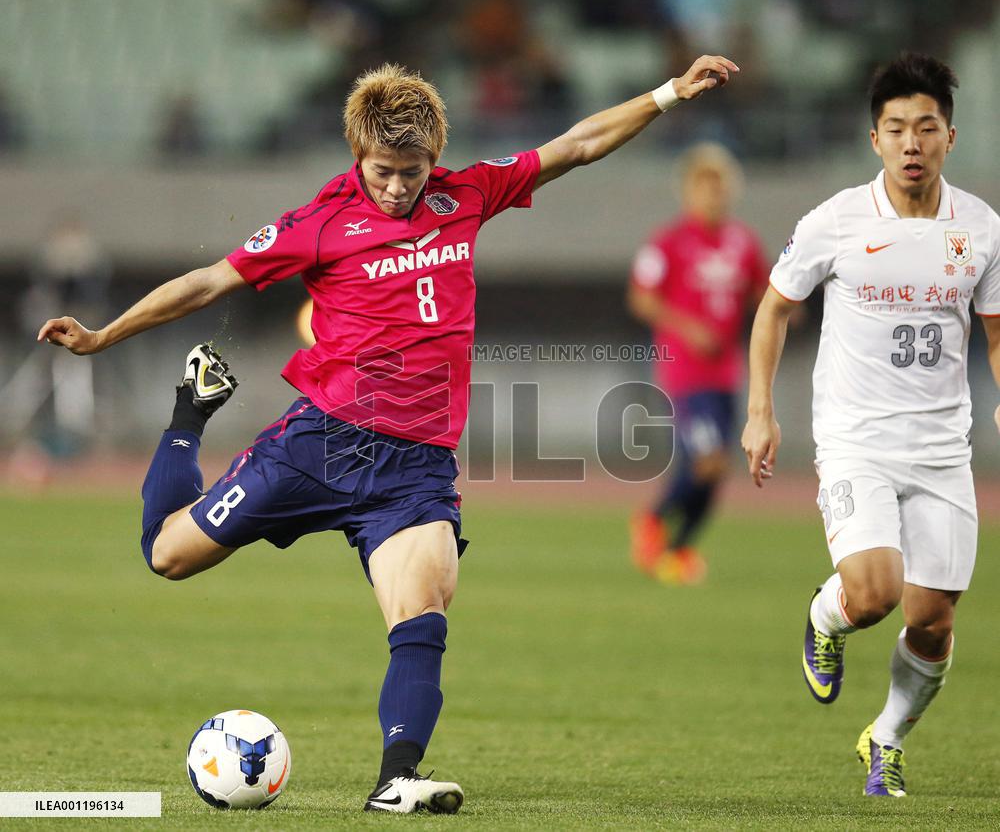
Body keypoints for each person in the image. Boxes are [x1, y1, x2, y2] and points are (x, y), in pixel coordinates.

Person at [37, 56, 739, 813]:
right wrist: (106, 334)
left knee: (424, 609)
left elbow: (575, 144)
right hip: (320, 442)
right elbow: (210, 280)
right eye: (383, 171)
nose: (399, 186)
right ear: (357, 154)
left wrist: (668, 94)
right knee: (167, 555)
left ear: (433, 159)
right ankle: (189, 414)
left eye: (412, 171)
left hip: (416, 469)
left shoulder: (466, 194)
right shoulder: (321, 222)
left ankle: (395, 779)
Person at [741, 53, 1000, 797]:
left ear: (950, 136)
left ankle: (885, 738)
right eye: (896, 129)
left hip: (944, 449)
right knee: (875, 592)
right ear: (874, 139)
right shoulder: (837, 220)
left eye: (926, 128)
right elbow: (774, 309)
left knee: (931, 621)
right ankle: (825, 619)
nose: (911, 143)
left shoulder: (981, 229)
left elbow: (997, 333)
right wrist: (761, 410)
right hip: (856, 439)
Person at [627, 142, 768, 584]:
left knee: (717, 467)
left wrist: (785, 306)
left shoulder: (742, 242)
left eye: (720, 187)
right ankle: (653, 519)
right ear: (688, 192)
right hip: (685, 372)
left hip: (726, 372)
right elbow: (642, 297)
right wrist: (688, 329)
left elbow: (763, 291)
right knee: (708, 460)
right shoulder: (668, 242)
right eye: (704, 187)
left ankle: (678, 549)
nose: (713, 196)